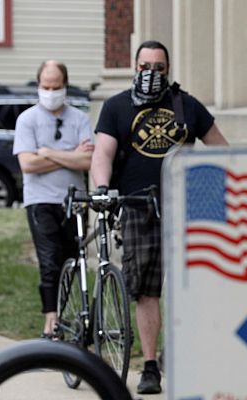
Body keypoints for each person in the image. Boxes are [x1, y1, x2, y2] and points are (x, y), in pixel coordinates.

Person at [91, 40, 228, 395]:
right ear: (135, 68)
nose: (152, 73)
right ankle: (150, 365)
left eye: (159, 67)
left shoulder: (187, 105)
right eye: (145, 66)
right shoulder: (117, 107)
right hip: (138, 208)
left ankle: (181, 353)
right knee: (146, 289)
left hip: (188, 208)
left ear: (168, 69)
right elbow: (103, 153)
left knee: (193, 286)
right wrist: (103, 188)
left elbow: (224, 151)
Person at [12, 60, 93, 339]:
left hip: (74, 200)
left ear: (65, 86)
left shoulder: (79, 119)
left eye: (56, 87)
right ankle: (51, 322)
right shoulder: (27, 120)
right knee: (49, 261)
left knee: (72, 259)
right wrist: (69, 154)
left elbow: (88, 159)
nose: (50, 91)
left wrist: (46, 152)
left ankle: (65, 311)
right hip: (40, 200)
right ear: (38, 86)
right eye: (45, 86)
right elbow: (28, 165)